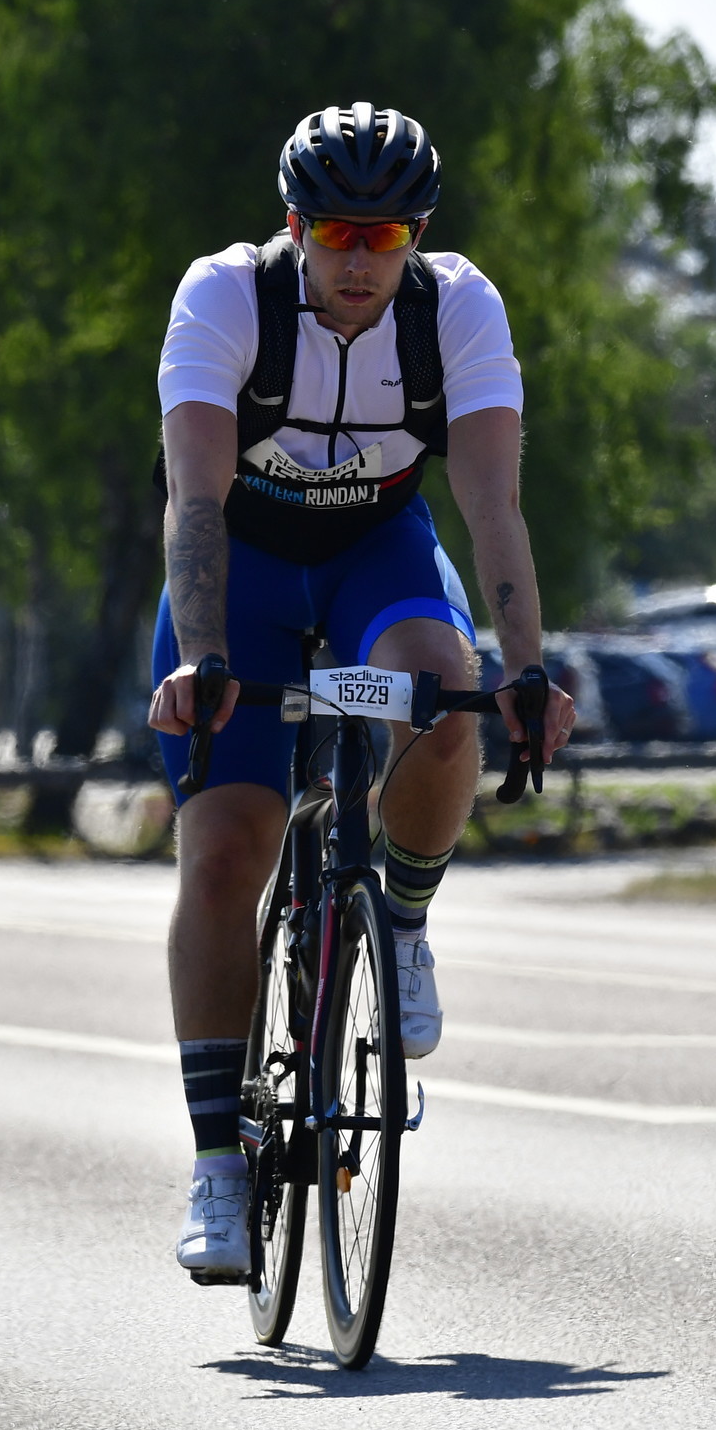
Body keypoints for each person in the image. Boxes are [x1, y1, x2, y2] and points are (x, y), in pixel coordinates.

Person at [147, 102, 574, 1282]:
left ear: (415, 237)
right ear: (294, 226)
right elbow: (193, 499)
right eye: (335, 232)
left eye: (383, 237)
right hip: (242, 567)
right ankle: (218, 1166)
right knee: (225, 851)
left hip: (375, 554)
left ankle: (404, 920)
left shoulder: (456, 310)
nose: (357, 260)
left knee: (445, 691)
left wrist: (526, 667)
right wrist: (199, 655)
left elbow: (490, 504)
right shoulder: (224, 298)